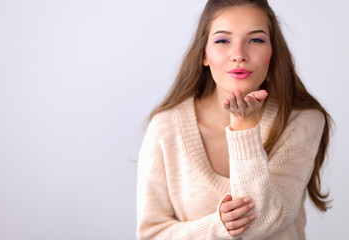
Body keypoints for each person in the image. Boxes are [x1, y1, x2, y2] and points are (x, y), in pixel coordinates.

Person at [136, 0, 332, 239]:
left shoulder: (302, 121)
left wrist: (243, 126)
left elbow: (260, 221)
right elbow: (151, 234)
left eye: (256, 40)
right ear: (203, 55)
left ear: (273, 53)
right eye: (222, 41)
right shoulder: (165, 127)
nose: (239, 55)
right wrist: (218, 227)